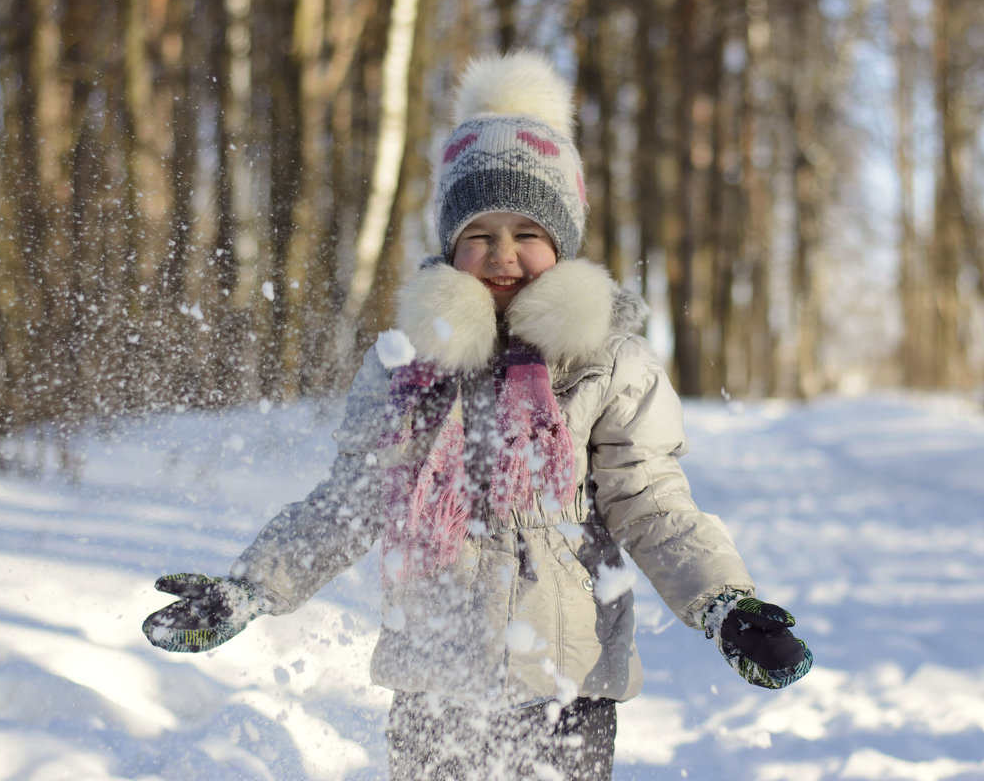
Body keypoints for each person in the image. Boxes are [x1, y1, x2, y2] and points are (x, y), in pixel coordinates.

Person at [143, 50, 812, 781]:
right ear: (450, 244)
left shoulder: (607, 363)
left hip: (566, 686)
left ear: (562, 240)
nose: (503, 254)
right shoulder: (408, 367)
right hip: (434, 679)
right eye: (479, 234)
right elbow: (351, 502)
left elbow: (651, 502)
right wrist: (251, 587)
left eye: (527, 231)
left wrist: (725, 602)